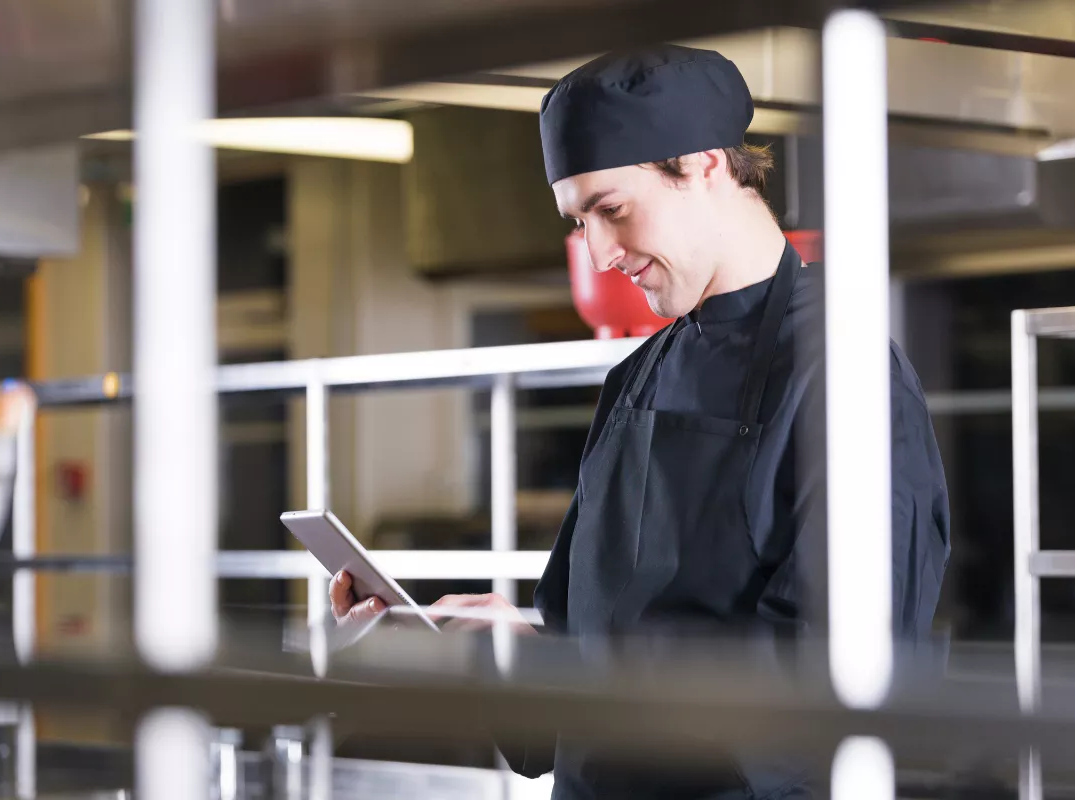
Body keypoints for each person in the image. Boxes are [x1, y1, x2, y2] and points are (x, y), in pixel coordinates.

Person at [331, 44, 951, 799]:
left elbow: (830, 696)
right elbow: (577, 670)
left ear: (702, 165)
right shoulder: (637, 377)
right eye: (578, 220)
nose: (596, 253)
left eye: (611, 210)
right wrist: (490, 654)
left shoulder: (844, 378)